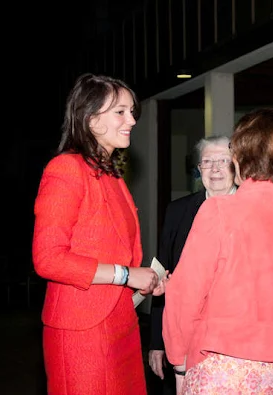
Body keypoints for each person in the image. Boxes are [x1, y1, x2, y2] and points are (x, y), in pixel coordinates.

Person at [162, 108, 273, 393]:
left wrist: (178, 361)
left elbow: (185, 294)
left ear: (241, 156)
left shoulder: (219, 210)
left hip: (226, 365)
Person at [32, 73, 167, 395]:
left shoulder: (112, 176)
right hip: (82, 331)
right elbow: (48, 259)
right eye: (120, 111)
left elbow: (117, 252)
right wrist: (126, 275)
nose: (131, 120)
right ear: (91, 119)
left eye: (132, 111)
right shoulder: (65, 169)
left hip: (121, 324)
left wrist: (146, 279)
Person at [148, 135, 237, 394]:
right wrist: (157, 341)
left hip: (235, 337)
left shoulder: (250, 210)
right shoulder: (178, 211)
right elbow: (161, 272)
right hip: (184, 335)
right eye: (208, 162)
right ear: (199, 170)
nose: (216, 169)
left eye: (223, 161)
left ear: (236, 165)